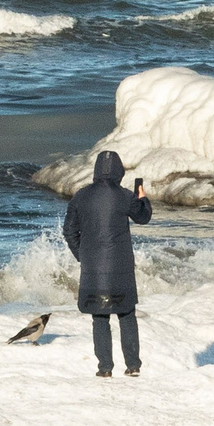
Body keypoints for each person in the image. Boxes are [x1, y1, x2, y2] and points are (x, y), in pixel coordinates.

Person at [61, 149, 151, 378]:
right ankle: (133, 366)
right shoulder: (124, 196)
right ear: (118, 171)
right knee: (126, 313)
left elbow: (69, 231)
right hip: (121, 267)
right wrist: (141, 196)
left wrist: (82, 254)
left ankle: (105, 368)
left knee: (99, 316)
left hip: (93, 268)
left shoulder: (81, 196)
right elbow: (144, 217)